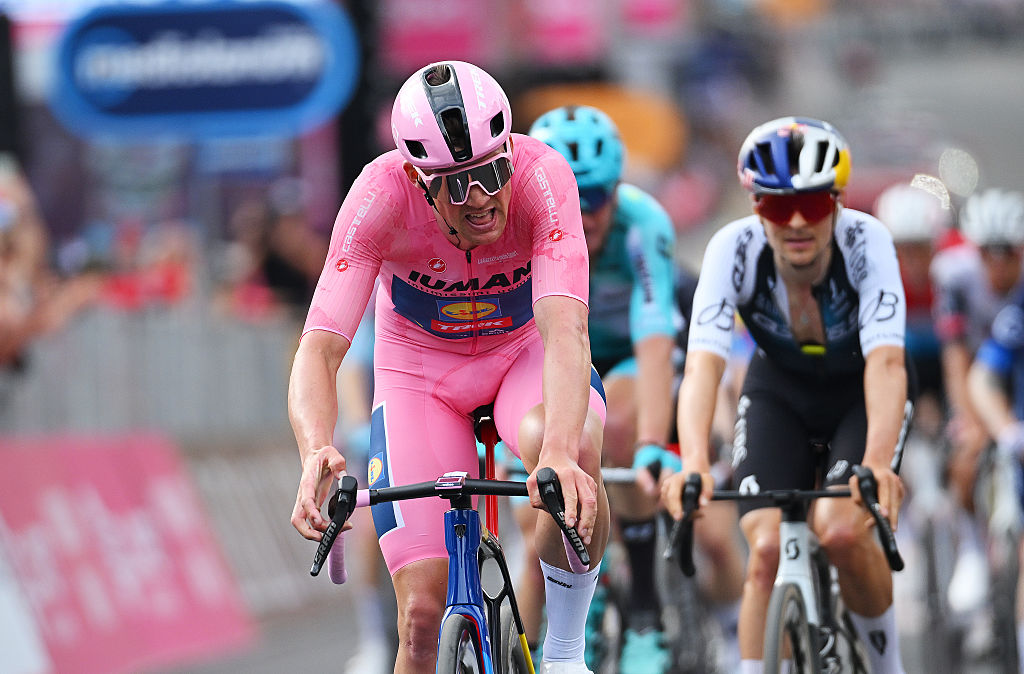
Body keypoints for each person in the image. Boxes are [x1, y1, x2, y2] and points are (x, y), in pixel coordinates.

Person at [287, 60, 609, 674]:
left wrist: (563, 454)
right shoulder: (379, 197)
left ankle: (566, 654)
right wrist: (313, 450)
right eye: (457, 186)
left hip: (523, 354)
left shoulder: (544, 178)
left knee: (565, 445)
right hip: (421, 377)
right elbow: (320, 346)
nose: (483, 199)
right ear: (418, 178)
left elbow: (565, 330)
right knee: (419, 620)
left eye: (492, 171)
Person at [661, 117, 911, 674]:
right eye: (777, 207)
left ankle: (887, 664)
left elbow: (888, 362)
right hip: (780, 392)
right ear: (755, 208)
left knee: (843, 532)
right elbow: (704, 364)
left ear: (838, 202)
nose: (796, 221)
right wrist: (695, 463)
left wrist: (875, 465)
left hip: (859, 391)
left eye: (814, 205)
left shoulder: (867, 243)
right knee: (767, 552)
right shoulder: (733, 249)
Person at [527, 104, 680, 674]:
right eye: (570, 196)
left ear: (619, 190)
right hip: (565, 359)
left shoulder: (643, 224)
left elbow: (655, 337)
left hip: (627, 357)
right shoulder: (528, 230)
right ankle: (576, 598)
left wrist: (652, 445)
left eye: (598, 197)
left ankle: (645, 610)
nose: (585, 214)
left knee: (620, 427)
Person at [930, 187, 1024, 635]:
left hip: (1013, 375)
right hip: (975, 370)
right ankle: (971, 547)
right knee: (966, 455)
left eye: (1010, 253)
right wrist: (971, 420)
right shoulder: (955, 275)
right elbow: (955, 358)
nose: (999, 264)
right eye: (989, 253)